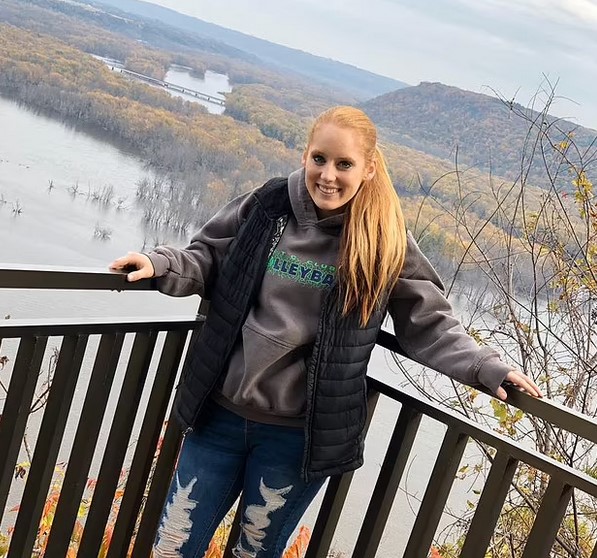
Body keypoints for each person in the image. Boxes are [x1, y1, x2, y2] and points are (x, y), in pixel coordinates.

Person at [109, 105, 542, 558]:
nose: (328, 175)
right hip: (220, 414)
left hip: (297, 437)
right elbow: (208, 257)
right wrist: (159, 264)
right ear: (305, 155)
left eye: (344, 164)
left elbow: (428, 322)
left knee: (253, 553)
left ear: (368, 169)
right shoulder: (268, 205)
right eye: (319, 158)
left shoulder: (383, 239)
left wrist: (484, 366)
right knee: (172, 547)